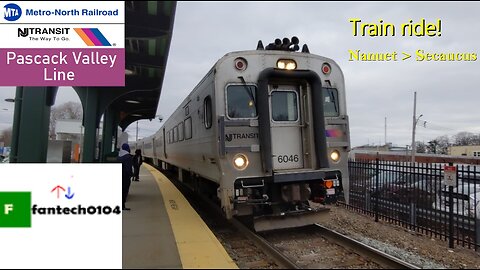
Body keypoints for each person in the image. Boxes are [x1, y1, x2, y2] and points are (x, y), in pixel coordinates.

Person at [118, 143, 133, 211]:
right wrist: (131, 175)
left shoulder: (119, 156)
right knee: (124, 191)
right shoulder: (127, 156)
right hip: (125, 177)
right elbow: (128, 168)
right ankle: (122, 205)